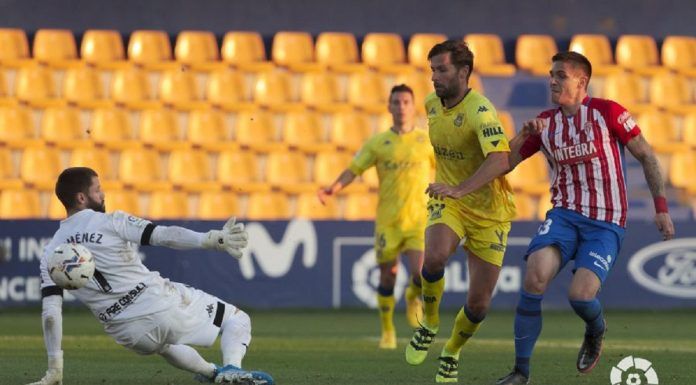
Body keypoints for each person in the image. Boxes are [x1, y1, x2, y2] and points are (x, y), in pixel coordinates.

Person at [429, 51, 675, 384]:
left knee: (580, 296)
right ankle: (521, 372)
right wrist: (520, 137)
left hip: (606, 222)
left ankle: (595, 328)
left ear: (581, 81)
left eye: (560, 75)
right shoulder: (544, 123)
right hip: (563, 217)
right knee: (534, 277)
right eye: (550, 74)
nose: (553, 80)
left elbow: (647, 155)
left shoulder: (609, 113)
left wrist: (661, 208)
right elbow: (504, 160)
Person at [28, 167, 274, 385]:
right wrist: (210, 239)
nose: (103, 195)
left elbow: (51, 315)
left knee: (165, 346)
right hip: (161, 305)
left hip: (128, 334)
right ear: (81, 198)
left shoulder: (52, 253)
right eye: (98, 189)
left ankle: (212, 373)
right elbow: (164, 235)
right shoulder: (112, 222)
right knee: (236, 319)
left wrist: (55, 369)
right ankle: (232, 370)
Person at [403, 40, 516, 383]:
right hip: (448, 201)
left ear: (464, 71)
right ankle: (431, 323)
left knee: (479, 305)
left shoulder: (481, 111)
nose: (434, 77)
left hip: (488, 212)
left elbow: (500, 159)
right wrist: (452, 191)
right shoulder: (430, 105)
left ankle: (451, 351)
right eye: (432, 70)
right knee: (433, 259)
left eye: (442, 70)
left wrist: (461, 188)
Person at [318, 84, 434, 349]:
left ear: (413, 107)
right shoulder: (377, 143)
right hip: (388, 222)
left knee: (420, 275)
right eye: (397, 102)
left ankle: (412, 298)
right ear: (389, 107)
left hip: (418, 220)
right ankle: (388, 331)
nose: (401, 107)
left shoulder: (427, 142)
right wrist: (332, 188)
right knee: (387, 277)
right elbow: (354, 169)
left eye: (406, 102)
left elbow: (449, 168)